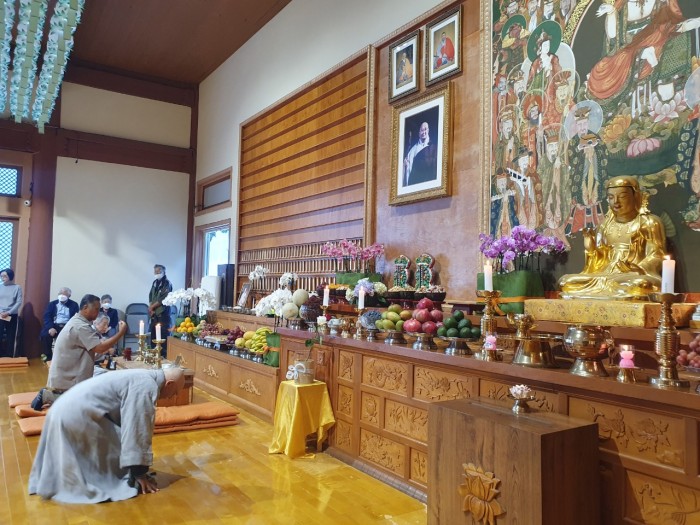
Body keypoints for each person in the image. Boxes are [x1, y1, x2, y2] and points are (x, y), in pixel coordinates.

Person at [29, 366, 186, 503]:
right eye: (175, 393)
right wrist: (139, 473)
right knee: (115, 459)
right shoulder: (146, 385)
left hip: (62, 408)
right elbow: (137, 427)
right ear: (169, 384)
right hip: (75, 416)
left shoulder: (141, 375)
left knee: (117, 435)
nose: (172, 397)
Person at [559, 176, 667, 299]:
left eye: (622, 196)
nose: (616, 202)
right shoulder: (605, 225)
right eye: (611, 197)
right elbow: (598, 263)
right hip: (605, 275)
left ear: (636, 197)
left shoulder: (649, 222)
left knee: (639, 284)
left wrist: (638, 268)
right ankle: (609, 292)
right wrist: (591, 249)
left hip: (632, 276)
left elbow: (657, 255)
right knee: (565, 282)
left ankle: (614, 290)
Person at [44, 294, 127, 404]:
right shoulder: (80, 326)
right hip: (67, 382)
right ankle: (50, 396)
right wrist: (121, 333)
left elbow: (92, 352)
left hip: (70, 378)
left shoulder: (80, 322)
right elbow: (100, 348)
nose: (98, 312)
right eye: (96, 309)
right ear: (85, 307)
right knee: (103, 400)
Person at [39, 287, 79, 360]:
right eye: (60, 294)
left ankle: (67, 358)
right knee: (45, 335)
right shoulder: (52, 304)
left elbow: (75, 318)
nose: (62, 296)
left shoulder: (74, 305)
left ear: (69, 296)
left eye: (64, 294)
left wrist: (69, 328)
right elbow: (47, 317)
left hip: (67, 326)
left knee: (75, 336)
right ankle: (48, 357)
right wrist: (51, 327)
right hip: (54, 325)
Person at [403, 121, 438, 186]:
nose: (424, 132)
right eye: (422, 130)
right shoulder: (413, 149)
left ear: (428, 130)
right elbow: (408, 168)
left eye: (425, 129)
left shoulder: (434, 148)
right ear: (419, 133)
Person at [148, 264, 172, 356]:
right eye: (155, 271)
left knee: (163, 336)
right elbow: (151, 295)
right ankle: (154, 354)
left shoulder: (167, 283)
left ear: (164, 272)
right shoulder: (155, 282)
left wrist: (152, 307)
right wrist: (151, 307)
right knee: (154, 335)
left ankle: (163, 356)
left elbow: (163, 298)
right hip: (154, 314)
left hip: (163, 313)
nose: (157, 273)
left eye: (159, 271)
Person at [0, 268, 22, 357]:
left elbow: (18, 302)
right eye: (1, 276)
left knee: (11, 336)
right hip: (0, 314)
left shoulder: (17, 287)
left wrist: (8, 312)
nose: (3, 278)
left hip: (12, 315)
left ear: (10, 276)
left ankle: (10, 356)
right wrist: (1, 312)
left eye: (5, 276)